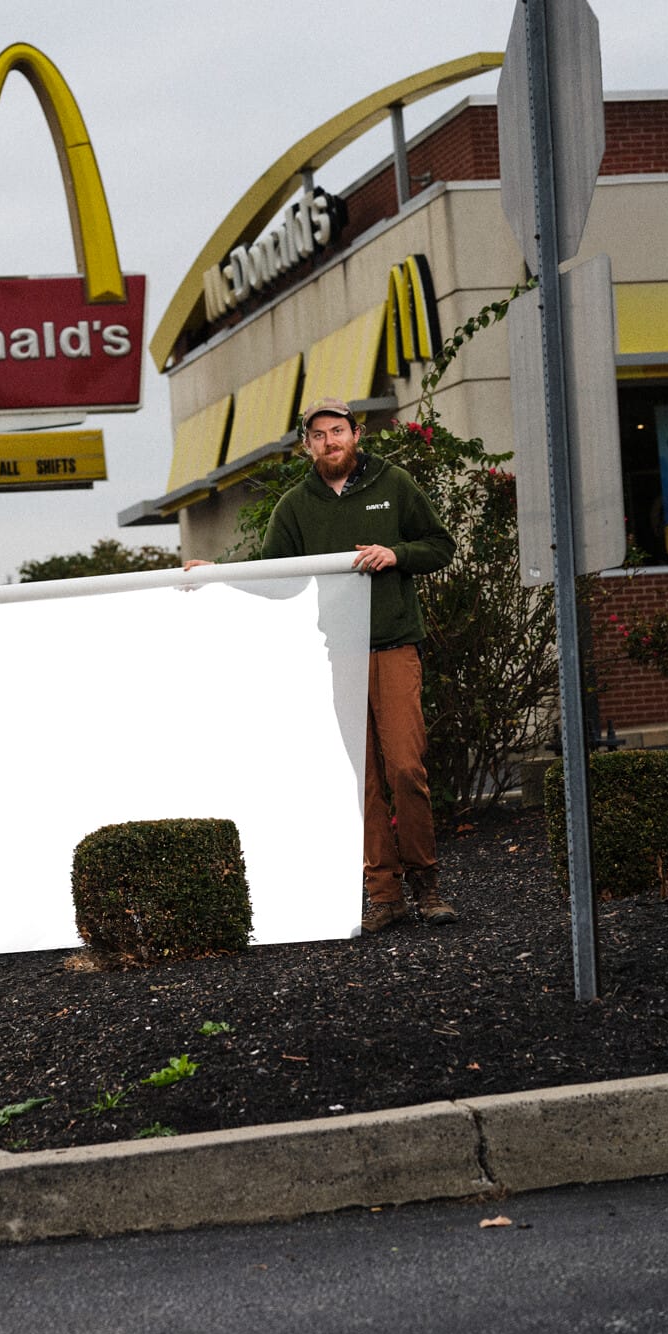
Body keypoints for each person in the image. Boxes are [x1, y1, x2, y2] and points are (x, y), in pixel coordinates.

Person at [187, 396, 457, 934]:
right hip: (341, 652)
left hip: (394, 644)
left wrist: (396, 554)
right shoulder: (296, 505)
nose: (329, 441)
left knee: (406, 766)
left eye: (338, 431)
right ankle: (385, 895)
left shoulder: (393, 484)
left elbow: (441, 545)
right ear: (306, 445)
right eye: (318, 435)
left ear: (356, 434)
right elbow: (277, 576)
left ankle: (427, 885)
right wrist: (220, 573)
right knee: (362, 778)